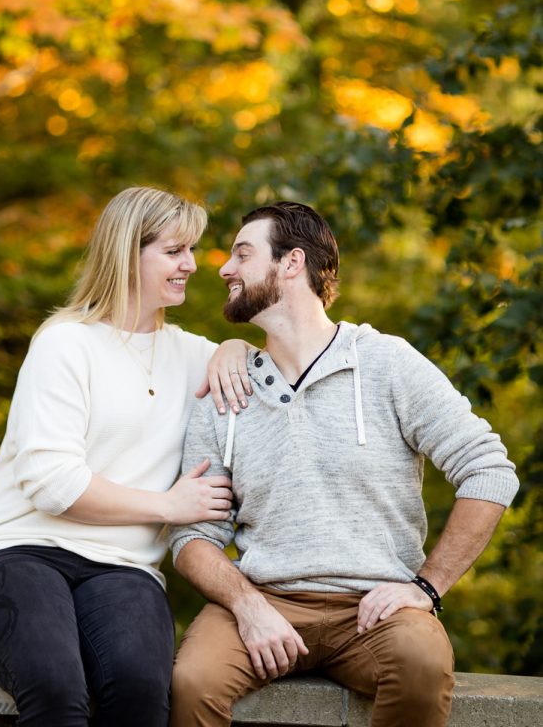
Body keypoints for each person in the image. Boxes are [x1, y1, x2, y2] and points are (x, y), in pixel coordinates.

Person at [169, 201, 519, 727]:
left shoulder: (386, 362)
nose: (223, 268)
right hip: (265, 598)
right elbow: (193, 535)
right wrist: (247, 605)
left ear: (292, 262)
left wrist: (427, 586)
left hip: (376, 609)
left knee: (422, 666)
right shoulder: (227, 387)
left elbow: (489, 469)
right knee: (192, 683)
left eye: (242, 254)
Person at [0, 186, 253, 727]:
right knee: (56, 688)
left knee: (140, 691)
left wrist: (235, 347)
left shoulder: (192, 354)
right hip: (16, 552)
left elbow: (265, 366)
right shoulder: (66, 343)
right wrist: (168, 505)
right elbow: (54, 485)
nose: (190, 264)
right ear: (127, 254)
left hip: (122, 568)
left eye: (190, 249)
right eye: (174, 251)